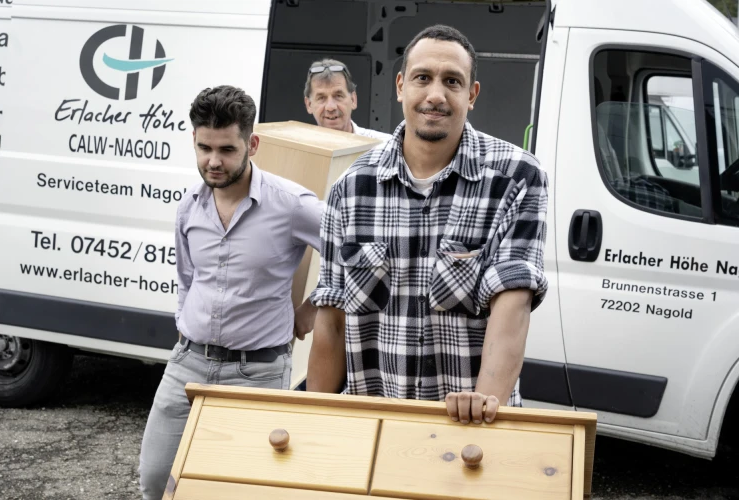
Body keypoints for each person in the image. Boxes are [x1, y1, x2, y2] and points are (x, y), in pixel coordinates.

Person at [306, 25, 549, 426]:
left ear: (471, 95)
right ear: (401, 86)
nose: (436, 94)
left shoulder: (516, 178)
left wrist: (483, 409)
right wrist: (313, 423)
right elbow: (330, 321)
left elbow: (513, 304)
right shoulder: (349, 190)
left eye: (452, 81)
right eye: (423, 78)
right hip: (373, 426)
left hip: (468, 425)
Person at [138, 85, 323, 500]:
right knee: (156, 479)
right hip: (187, 364)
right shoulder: (188, 209)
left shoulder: (291, 204)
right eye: (204, 148)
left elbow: (354, 255)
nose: (213, 161)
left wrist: (313, 307)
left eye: (226, 149)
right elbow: (187, 280)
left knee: (246, 491)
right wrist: (186, 328)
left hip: (257, 372)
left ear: (251, 144)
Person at [304, 58, 392, 142]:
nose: (330, 107)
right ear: (309, 105)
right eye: (321, 98)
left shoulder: (385, 145)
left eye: (338, 96)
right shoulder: (297, 149)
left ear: (353, 99)